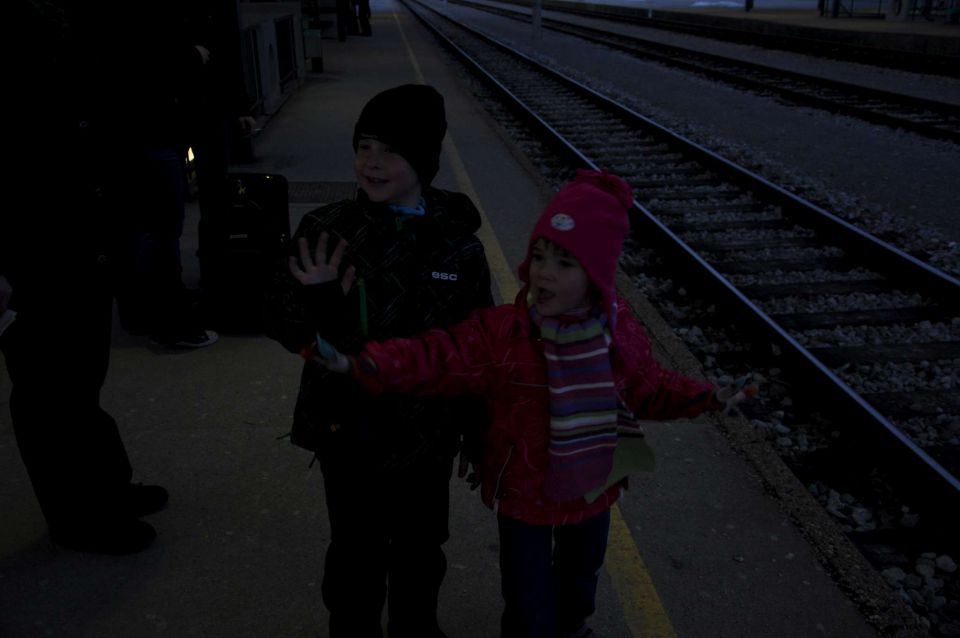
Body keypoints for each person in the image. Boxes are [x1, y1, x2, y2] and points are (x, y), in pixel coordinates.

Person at [304, 170, 756, 637]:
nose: (543, 271)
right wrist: (364, 363)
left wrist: (710, 396)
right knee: (526, 599)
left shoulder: (619, 337)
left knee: (580, 581)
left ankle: (574, 625)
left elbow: (650, 388)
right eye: (539, 256)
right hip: (525, 494)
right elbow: (436, 356)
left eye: (564, 262)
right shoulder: (504, 333)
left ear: (596, 274)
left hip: (592, 489)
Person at [264, 84, 493, 638]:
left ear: (423, 159)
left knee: (421, 547)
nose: (371, 161)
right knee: (355, 549)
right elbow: (280, 316)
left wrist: (480, 431)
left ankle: (417, 626)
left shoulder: (457, 243)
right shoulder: (326, 229)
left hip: (427, 432)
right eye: (363, 145)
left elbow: (478, 345)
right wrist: (319, 312)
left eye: (389, 149)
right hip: (348, 429)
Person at [1, 0, 168, 555]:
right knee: (53, 388)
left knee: (79, 379)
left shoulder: (61, 47)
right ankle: (79, 517)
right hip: (37, 246)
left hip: (79, 238)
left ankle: (106, 491)